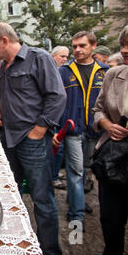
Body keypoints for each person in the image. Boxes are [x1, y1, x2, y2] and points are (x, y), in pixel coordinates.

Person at [0, 22, 66, 255]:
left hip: (31, 140)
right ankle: (15, 246)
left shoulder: (38, 57)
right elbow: (5, 94)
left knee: (42, 199)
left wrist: (39, 130)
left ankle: (50, 250)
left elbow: (57, 96)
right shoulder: (4, 66)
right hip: (10, 139)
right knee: (12, 194)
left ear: (4, 40)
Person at [92, 17, 128, 255]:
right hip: (117, 158)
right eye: (123, 44)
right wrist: (107, 125)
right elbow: (98, 110)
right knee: (111, 220)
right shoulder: (114, 75)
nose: (124, 50)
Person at [53, 31, 110, 225]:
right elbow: (55, 101)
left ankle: (75, 200)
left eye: (82, 46)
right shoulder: (64, 71)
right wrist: (56, 129)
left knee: (85, 169)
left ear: (93, 46)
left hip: (95, 129)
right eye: (74, 46)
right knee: (75, 171)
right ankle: (76, 215)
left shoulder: (105, 71)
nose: (77, 50)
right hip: (72, 130)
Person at [50, 46, 70, 189]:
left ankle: (55, 173)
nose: (64, 59)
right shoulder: (50, 72)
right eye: (61, 56)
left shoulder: (65, 72)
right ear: (53, 55)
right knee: (56, 148)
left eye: (66, 57)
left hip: (63, 117)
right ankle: (53, 176)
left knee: (60, 149)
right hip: (52, 118)